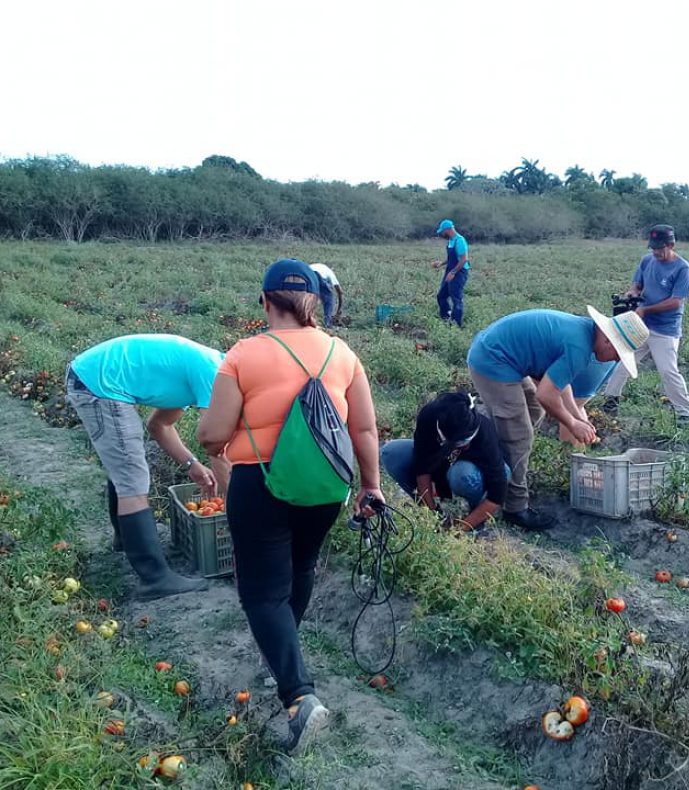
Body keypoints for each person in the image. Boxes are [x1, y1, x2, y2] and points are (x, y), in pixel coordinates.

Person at [197, 258, 384, 755]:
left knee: (261, 593)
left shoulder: (243, 354)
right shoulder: (343, 354)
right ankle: (286, 658)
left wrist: (233, 432)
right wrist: (372, 486)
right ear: (314, 303)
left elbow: (212, 435)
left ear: (265, 301)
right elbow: (364, 429)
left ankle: (299, 698)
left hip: (260, 484)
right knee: (300, 569)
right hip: (326, 486)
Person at [65, 334, 229, 600]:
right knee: (132, 477)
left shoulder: (203, 372)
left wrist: (191, 464)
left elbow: (159, 425)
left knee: (126, 469)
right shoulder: (215, 374)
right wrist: (233, 504)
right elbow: (216, 446)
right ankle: (154, 578)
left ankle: (126, 540)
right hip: (99, 385)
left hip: (94, 377)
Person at [468, 308, 649, 531]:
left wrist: (576, 416)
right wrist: (572, 424)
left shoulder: (584, 334)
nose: (614, 360)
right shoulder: (579, 348)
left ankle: (495, 457)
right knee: (519, 435)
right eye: (618, 355)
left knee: (533, 412)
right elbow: (545, 394)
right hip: (493, 360)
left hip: (502, 355)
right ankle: (515, 507)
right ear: (608, 341)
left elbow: (559, 384)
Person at [602, 224, 689, 426]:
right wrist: (633, 294)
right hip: (642, 324)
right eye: (653, 248)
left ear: (671, 245)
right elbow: (637, 284)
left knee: (667, 371)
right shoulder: (647, 261)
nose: (656, 252)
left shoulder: (682, 268)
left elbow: (676, 301)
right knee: (624, 361)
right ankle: (611, 400)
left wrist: (646, 309)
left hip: (665, 330)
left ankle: (686, 412)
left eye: (660, 248)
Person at [380, 391, 509, 533]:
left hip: (472, 476)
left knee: (462, 474)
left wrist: (459, 529)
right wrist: (430, 515)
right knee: (391, 452)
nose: (466, 446)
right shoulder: (429, 416)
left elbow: (497, 495)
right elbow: (422, 466)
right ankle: (433, 507)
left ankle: (474, 518)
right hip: (443, 467)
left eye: (468, 440)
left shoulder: (484, 433)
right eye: (460, 442)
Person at [431, 219, 470, 327]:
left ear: (447, 230)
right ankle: (446, 318)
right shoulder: (451, 241)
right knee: (441, 296)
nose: (442, 234)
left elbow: (463, 259)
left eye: (442, 232)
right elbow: (452, 258)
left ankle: (456, 325)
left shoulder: (460, 240)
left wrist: (453, 272)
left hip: (459, 273)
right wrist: (441, 263)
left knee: (456, 299)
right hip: (450, 271)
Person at [310, 263, 343, 327]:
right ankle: (328, 324)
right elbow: (340, 292)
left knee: (309, 299)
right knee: (329, 299)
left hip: (306, 275)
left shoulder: (317, 267)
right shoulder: (330, 273)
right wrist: (339, 310)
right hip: (317, 275)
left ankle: (307, 321)